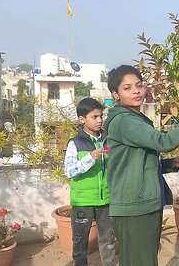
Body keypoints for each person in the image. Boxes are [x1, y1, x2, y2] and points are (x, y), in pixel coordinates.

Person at [103, 65, 179, 266]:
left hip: (143, 203)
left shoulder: (136, 119)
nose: (135, 91)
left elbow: (137, 159)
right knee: (139, 262)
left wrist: (169, 164)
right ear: (115, 94)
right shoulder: (125, 121)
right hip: (134, 206)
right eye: (127, 88)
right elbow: (163, 142)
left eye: (139, 85)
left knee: (145, 260)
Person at [64, 97, 116, 266]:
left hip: (105, 200)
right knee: (80, 241)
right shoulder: (75, 143)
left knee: (108, 239)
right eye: (94, 117)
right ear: (82, 119)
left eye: (101, 116)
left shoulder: (107, 140)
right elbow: (69, 171)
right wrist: (90, 158)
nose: (100, 120)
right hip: (83, 202)